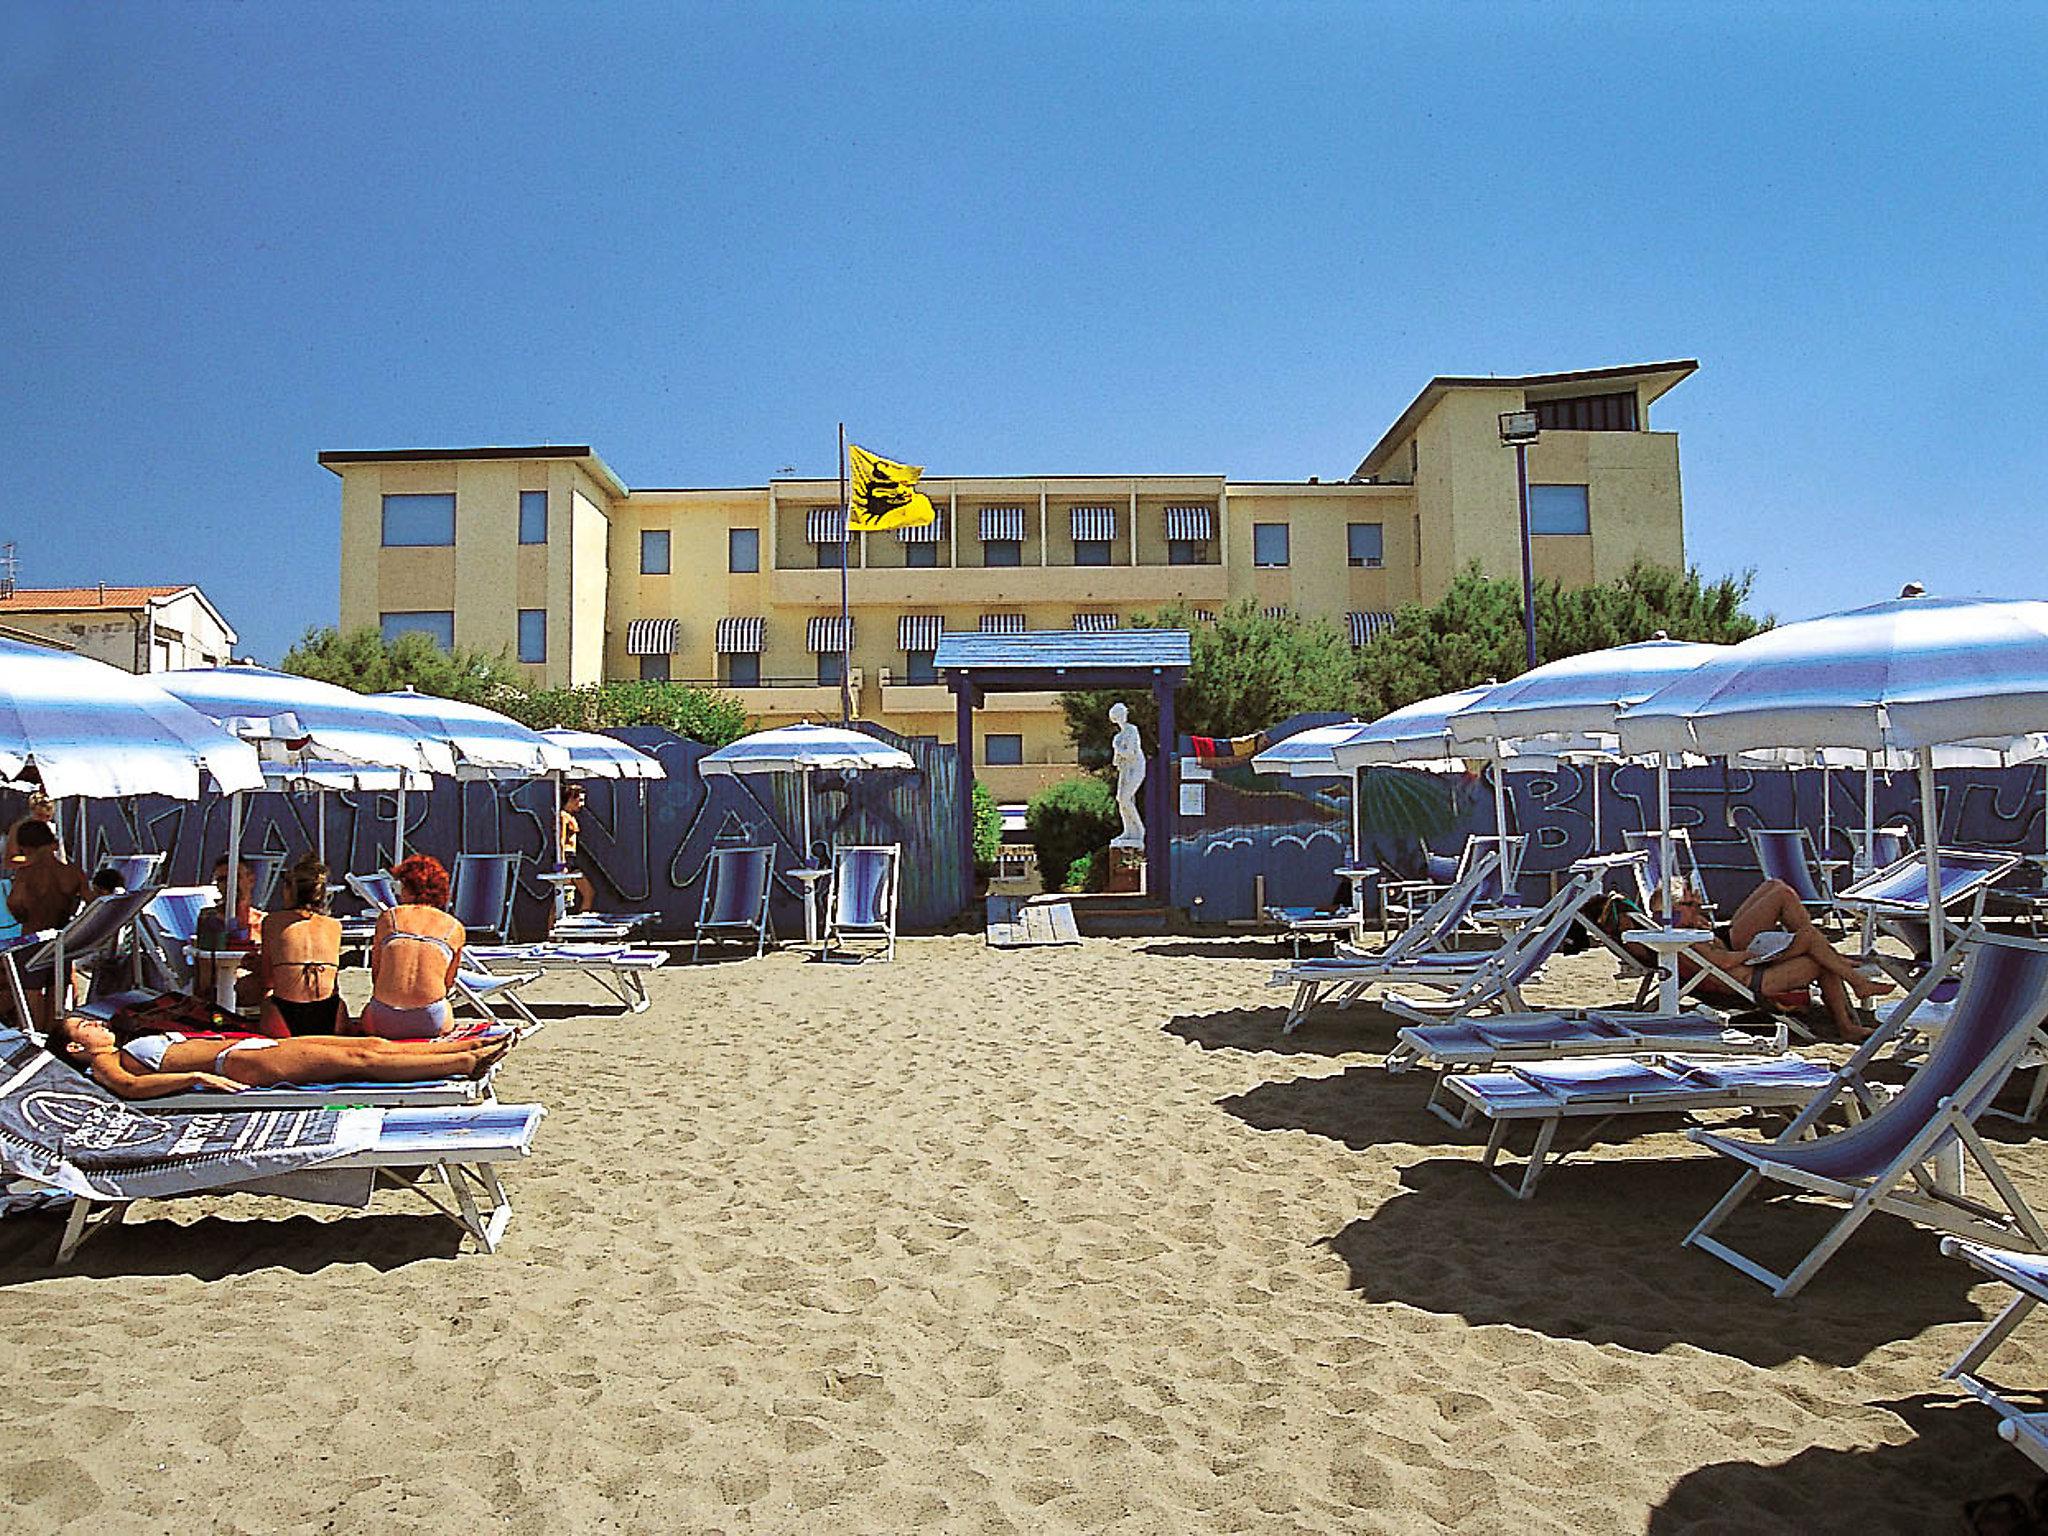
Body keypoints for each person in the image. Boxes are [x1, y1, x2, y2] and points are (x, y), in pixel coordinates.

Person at [1607, 877, 1895, 1040]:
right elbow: (1722, 964)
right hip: (1751, 977)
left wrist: (1705, 927)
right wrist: (1753, 953)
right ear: (1668, 910)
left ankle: (1847, 986)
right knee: (1810, 943)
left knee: (1778, 889)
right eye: (1689, 904)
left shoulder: (1682, 931)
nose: (1698, 907)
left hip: (1745, 964)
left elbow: (1718, 957)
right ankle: (1851, 995)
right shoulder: (1680, 940)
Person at [45, 1012, 511, 1100]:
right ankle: (463, 1063)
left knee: (371, 1047)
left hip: (246, 1049)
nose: (97, 1024)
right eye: (85, 1027)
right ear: (74, 1048)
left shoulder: (121, 1046)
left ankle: (468, 1046)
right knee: (358, 1064)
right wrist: (194, 1080)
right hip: (236, 1065)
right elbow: (131, 1088)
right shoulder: (105, 1063)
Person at [362, 853, 466, 1039]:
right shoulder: (454, 927)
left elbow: (376, 974)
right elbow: (448, 982)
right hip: (431, 1020)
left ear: (409, 888)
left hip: (382, 1019)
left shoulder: (390, 918)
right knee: (446, 1007)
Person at [259, 854, 347, 1036]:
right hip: (329, 1010)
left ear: (290, 889)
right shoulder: (334, 926)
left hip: (285, 1010)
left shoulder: (273, 922)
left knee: (266, 1000)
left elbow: (267, 980)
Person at [196, 856, 265, 1013]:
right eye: (222, 879)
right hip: (222, 996)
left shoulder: (265, 923)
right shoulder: (210, 920)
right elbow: (205, 979)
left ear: (251, 880)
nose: (229, 884)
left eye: (236, 877)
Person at [559, 784, 595, 915]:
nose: (582, 804)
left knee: (586, 893)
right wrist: (562, 865)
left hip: (572, 859)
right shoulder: (563, 816)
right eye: (579, 800)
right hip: (566, 860)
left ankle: (581, 923)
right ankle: (551, 932)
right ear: (571, 799)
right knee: (562, 899)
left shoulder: (571, 816)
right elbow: (560, 840)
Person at [3, 794, 61, 865]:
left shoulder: (55, 828)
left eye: (47, 816)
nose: (43, 820)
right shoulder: (18, 828)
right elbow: (9, 860)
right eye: (39, 815)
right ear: (32, 811)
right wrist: (35, 857)